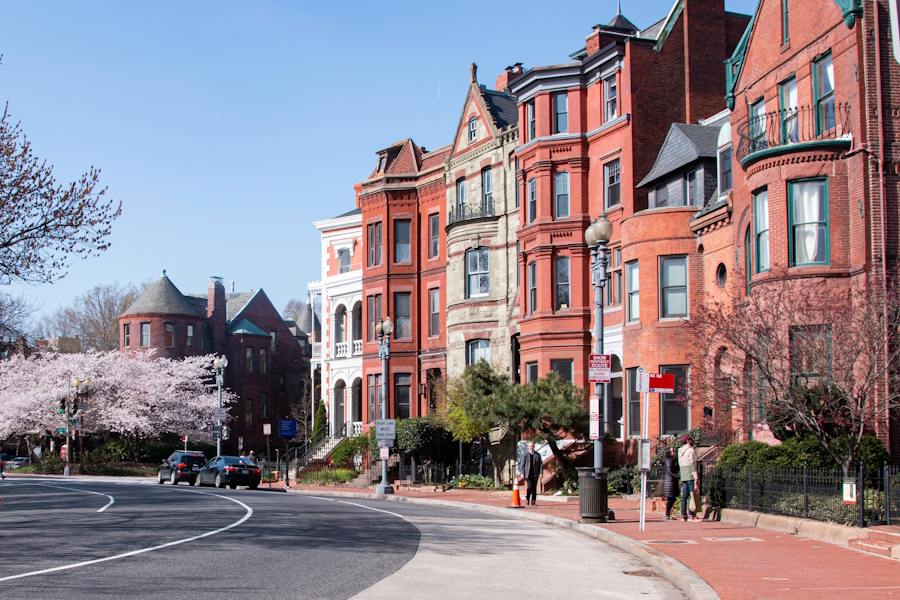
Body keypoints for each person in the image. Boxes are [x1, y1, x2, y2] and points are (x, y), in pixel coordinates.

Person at [678, 435, 700, 521]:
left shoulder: (680, 451)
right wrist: (696, 476)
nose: (691, 440)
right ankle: (691, 515)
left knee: (684, 496)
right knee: (692, 495)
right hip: (690, 474)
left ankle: (683, 515)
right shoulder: (691, 450)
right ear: (687, 441)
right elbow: (692, 464)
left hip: (683, 474)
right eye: (690, 439)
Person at [517, 441, 543, 506]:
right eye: (530, 446)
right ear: (528, 447)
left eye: (532, 446)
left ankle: (533, 501)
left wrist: (541, 473)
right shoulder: (525, 454)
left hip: (535, 473)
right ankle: (527, 498)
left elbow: (540, 464)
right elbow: (522, 464)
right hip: (528, 474)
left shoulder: (537, 455)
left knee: (534, 488)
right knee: (529, 487)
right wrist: (522, 473)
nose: (531, 447)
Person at [662, 448, 679, 520]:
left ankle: (668, 514)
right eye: (672, 451)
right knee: (671, 499)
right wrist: (678, 476)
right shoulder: (668, 461)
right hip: (670, 482)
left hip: (671, 481)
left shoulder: (670, 461)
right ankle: (667, 514)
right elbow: (670, 472)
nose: (674, 452)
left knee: (672, 498)